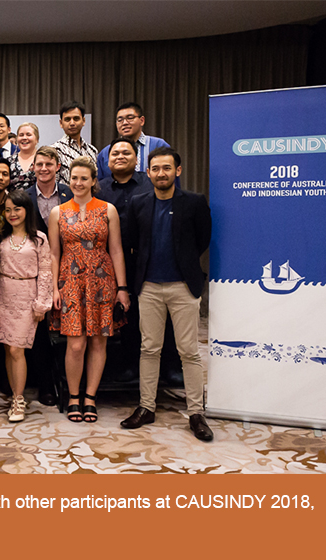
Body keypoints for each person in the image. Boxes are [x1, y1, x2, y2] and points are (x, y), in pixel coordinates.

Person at [120, 148, 213, 442]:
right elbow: (133, 242)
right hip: (148, 287)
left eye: (167, 168)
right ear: (148, 172)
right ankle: (146, 407)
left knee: (188, 351)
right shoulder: (139, 202)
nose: (161, 173)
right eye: (156, 168)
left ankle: (196, 413)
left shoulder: (195, 202)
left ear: (178, 170)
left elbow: (202, 238)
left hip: (183, 287)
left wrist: (184, 266)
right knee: (149, 349)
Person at [49, 157, 129, 423]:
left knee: (98, 341)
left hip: (102, 281)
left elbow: (116, 250)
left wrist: (122, 287)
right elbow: (53, 253)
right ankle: (73, 396)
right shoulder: (57, 212)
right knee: (75, 345)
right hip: (69, 283)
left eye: (84, 178)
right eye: (74, 178)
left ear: (94, 181)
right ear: (68, 180)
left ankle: (90, 397)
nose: (78, 183)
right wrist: (54, 288)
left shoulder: (109, 210)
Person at [96, 137, 153, 382]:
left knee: (146, 315)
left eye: (125, 153)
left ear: (136, 158)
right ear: (107, 161)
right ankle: (121, 367)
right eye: (114, 154)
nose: (120, 157)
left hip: (145, 260)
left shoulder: (149, 184)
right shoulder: (99, 187)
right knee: (116, 316)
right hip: (109, 263)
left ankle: (152, 369)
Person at [0, 189, 52, 422]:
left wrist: (41, 303)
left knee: (18, 349)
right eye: (7, 210)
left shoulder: (39, 238)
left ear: (27, 209)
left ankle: (18, 400)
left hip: (27, 296)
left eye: (17, 208)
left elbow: (46, 272)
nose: (12, 214)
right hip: (3, 294)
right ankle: (14, 393)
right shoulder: (1, 237)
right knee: (8, 348)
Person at [26, 146, 73, 406]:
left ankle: (69, 383)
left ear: (58, 166)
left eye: (49, 164)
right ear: (33, 167)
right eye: (39, 164)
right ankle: (45, 385)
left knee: (70, 330)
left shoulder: (69, 193)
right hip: (34, 272)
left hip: (70, 267)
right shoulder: (23, 195)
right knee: (41, 332)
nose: (44, 168)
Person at [96, 102, 171, 181]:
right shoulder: (105, 153)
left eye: (130, 118)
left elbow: (171, 178)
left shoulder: (158, 145)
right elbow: (100, 185)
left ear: (142, 120)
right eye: (120, 120)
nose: (124, 123)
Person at [52, 101, 98, 185]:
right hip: (66, 197)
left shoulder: (92, 150)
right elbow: (53, 184)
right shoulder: (55, 150)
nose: (72, 123)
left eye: (76, 119)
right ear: (61, 123)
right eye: (67, 119)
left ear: (83, 121)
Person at [8, 123, 39, 191]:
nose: (24, 138)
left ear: (37, 139)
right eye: (21, 135)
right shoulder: (9, 161)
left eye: (28, 135)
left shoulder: (43, 160)